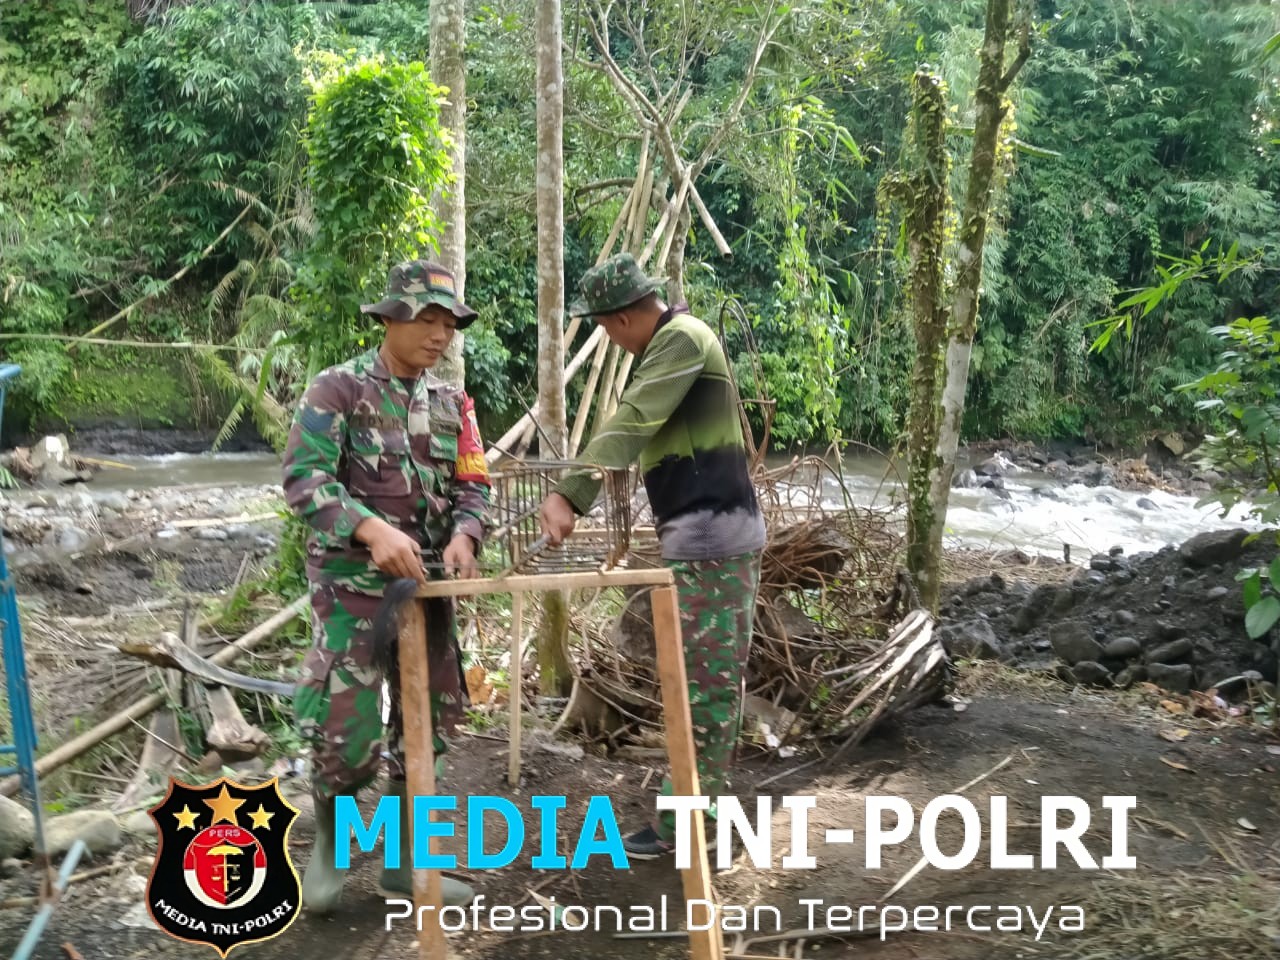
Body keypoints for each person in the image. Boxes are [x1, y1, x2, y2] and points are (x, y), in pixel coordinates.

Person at [539, 252, 766, 858]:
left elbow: (633, 420)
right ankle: (698, 812)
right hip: (700, 540)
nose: (609, 338)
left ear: (619, 318)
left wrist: (570, 492)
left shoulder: (683, 341)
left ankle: (685, 825)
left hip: (716, 539)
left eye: (606, 326)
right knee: (701, 685)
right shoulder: (665, 349)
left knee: (706, 690)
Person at [281, 260, 490, 912]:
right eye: (427, 320)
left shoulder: (453, 402)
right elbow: (305, 482)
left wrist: (466, 534)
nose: (439, 335)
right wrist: (371, 531)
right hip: (352, 590)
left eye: (449, 323)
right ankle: (332, 852)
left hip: (427, 592)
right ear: (391, 319)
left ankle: (406, 865)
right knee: (346, 735)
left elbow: (474, 483)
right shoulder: (337, 390)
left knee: (429, 727)